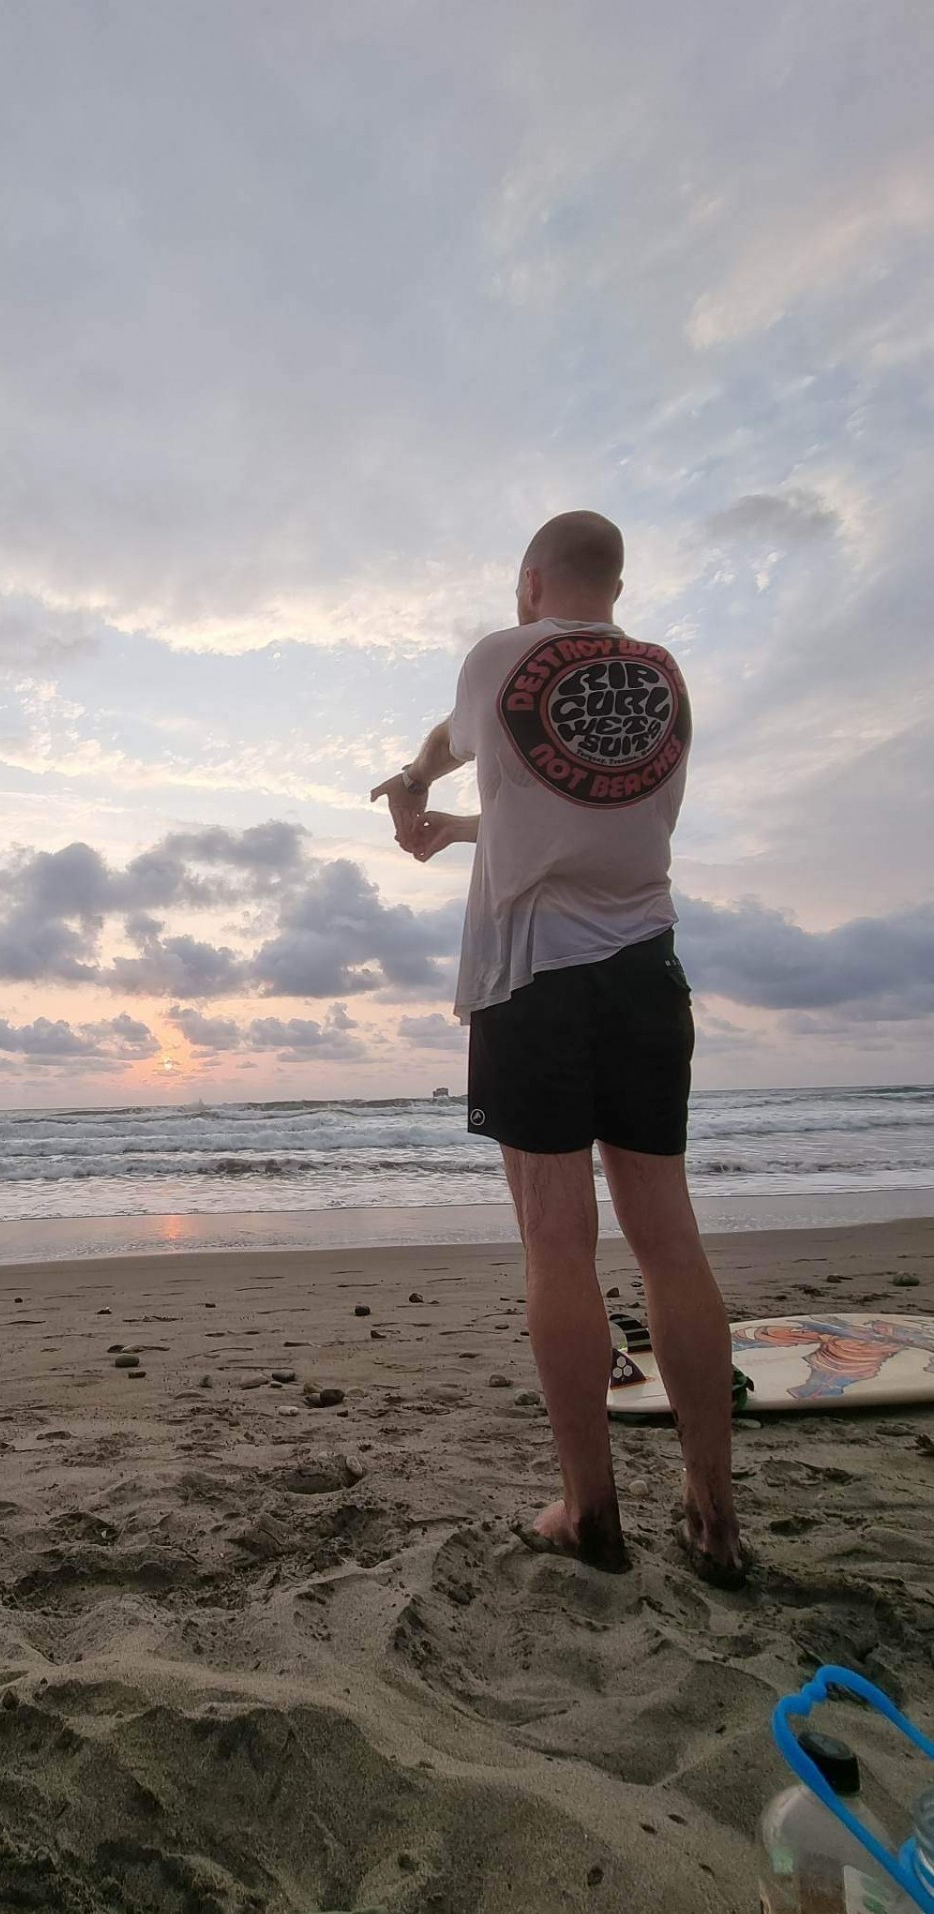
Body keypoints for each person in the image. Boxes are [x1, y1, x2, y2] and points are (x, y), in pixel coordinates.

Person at [372, 511, 745, 1585]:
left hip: (533, 978)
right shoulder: (666, 679)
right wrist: (464, 832)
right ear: (614, 585)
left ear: (530, 583)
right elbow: (579, 815)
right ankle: (714, 1518)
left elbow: (452, 746)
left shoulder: (501, 656)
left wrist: (416, 783)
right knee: (671, 1242)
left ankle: (591, 1510)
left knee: (558, 1244)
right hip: (646, 972)